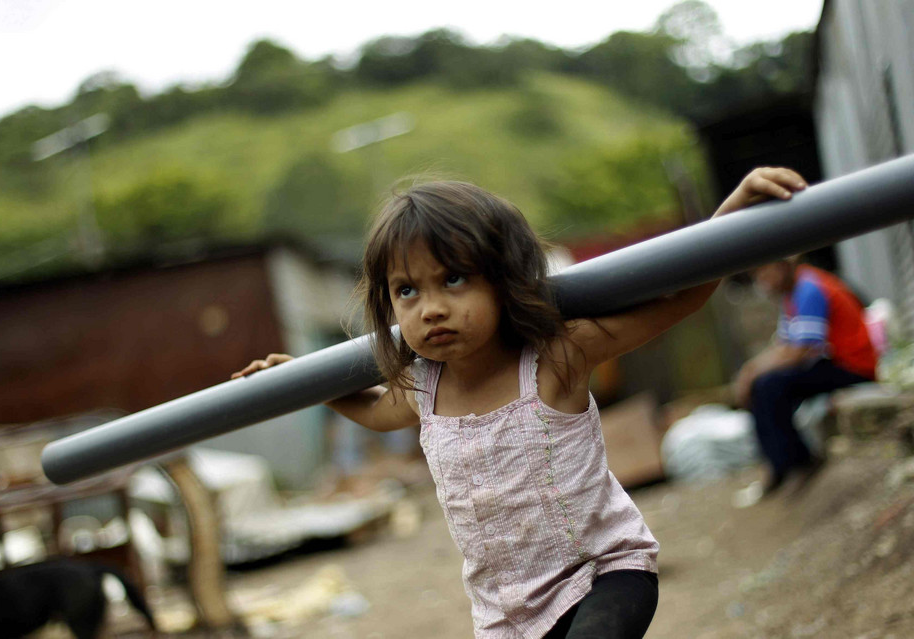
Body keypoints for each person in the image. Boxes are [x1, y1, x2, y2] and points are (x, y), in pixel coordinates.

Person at [234, 168, 806, 638]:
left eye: (453, 279)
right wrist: (303, 381)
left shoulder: (555, 358)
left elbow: (678, 299)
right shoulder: (425, 391)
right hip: (507, 616)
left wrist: (733, 211)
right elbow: (377, 411)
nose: (430, 308)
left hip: (602, 574)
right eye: (406, 291)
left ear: (502, 280)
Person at [734, 257, 878, 496]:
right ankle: (777, 465)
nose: (762, 281)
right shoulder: (791, 295)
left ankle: (799, 462)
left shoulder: (809, 287)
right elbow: (784, 347)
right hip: (833, 363)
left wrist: (751, 371)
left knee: (771, 385)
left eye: (764, 271)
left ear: (783, 264)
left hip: (854, 367)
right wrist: (752, 371)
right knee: (763, 384)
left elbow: (801, 350)